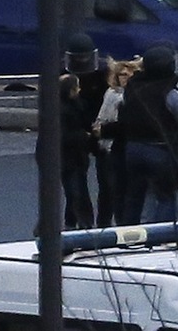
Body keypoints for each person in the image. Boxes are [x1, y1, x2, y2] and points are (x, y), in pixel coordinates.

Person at [118, 45, 178, 224]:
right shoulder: (171, 92)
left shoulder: (132, 87)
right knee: (166, 197)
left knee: (134, 197)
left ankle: (128, 238)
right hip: (161, 149)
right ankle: (162, 240)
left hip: (132, 148)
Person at [63, 32, 117, 227]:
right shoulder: (64, 74)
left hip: (98, 125)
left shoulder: (103, 72)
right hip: (80, 128)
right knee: (76, 183)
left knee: (107, 182)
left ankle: (103, 222)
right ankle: (78, 220)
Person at [93, 58, 142, 224]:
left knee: (120, 191)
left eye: (129, 74)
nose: (125, 78)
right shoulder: (111, 94)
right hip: (107, 147)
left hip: (120, 146)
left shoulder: (133, 96)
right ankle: (103, 226)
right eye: (122, 74)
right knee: (107, 191)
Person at [57, 74, 95, 229]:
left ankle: (72, 224)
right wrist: (84, 136)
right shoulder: (63, 110)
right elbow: (62, 136)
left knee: (75, 192)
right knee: (76, 192)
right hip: (69, 158)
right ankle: (82, 224)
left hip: (76, 156)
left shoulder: (73, 105)